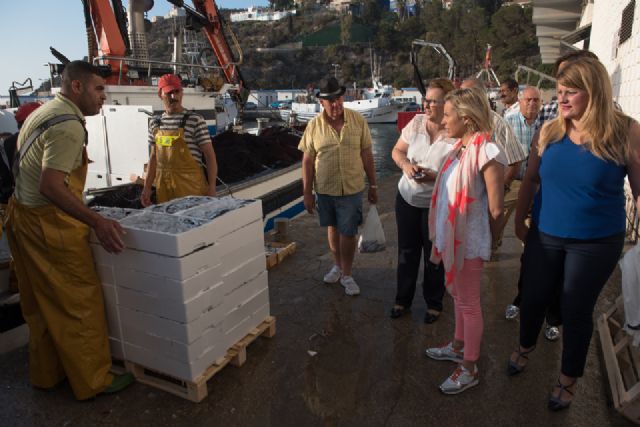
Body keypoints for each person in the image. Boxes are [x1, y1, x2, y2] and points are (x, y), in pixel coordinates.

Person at [509, 57, 640, 410]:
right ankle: (524, 346)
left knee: (575, 308)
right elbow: (531, 179)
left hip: (596, 243)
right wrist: (519, 218)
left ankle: (567, 380)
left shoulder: (626, 131)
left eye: (571, 92)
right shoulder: (549, 131)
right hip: (545, 234)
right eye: (560, 92)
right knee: (533, 298)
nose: (562, 99)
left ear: (594, 91)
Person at [4, 61, 134, 400]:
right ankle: (95, 380)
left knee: (41, 303)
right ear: (76, 87)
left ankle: (50, 374)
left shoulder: (44, 111)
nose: (104, 97)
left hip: (22, 217)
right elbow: (51, 186)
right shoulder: (69, 127)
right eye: (99, 89)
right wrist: (97, 222)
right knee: (79, 300)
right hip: (49, 223)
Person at [424, 88, 506, 394]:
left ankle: (469, 367)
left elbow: (496, 210)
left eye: (447, 114)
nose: (442, 120)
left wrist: (491, 244)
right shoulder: (459, 148)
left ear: (467, 118)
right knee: (458, 296)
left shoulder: (487, 153)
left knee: (469, 303)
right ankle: (458, 345)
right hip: (453, 238)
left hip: (470, 242)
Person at [298, 76, 378, 296]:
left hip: (352, 187)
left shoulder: (357, 120)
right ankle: (337, 265)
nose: (335, 104)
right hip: (325, 189)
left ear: (343, 97)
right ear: (321, 102)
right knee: (332, 227)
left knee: (349, 232)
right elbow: (307, 160)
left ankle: (347, 274)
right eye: (330, 100)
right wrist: (307, 193)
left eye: (338, 98)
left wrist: (373, 185)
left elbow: (367, 154)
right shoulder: (314, 126)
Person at [389, 78, 454, 322]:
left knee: (433, 255)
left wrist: (434, 177)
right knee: (406, 252)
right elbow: (397, 151)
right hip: (406, 198)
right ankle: (402, 299)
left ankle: (434, 302)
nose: (426, 105)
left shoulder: (455, 132)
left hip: (435, 204)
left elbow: (459, 172)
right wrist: (406, 165)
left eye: (432, 101)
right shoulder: (416, 123)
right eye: (425, 99)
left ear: (447, 103)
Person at [460, 78, 526, 255]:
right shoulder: (457, 121)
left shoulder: (497, 123)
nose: (461, 97)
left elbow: (516, 158)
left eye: (466, 93)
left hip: (490, 192)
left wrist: (502, 186)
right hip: (466, 194)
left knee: (490, 232)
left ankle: (491, 248)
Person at [141, 74, 218, 206]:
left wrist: (212, 187)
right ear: (160, 94)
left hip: (192, 189)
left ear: (182, 93)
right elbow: (154, 157)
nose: (174, 97)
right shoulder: (154, 123)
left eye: (177, 92)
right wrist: (146, 188)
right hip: (164, 189)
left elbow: (209, 155)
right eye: (169, 92)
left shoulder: (195, 120)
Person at [0, 102, 41, 293]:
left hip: (14, 205)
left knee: (19, 253)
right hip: (22, 206)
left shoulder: (10, 142)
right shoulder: (26, 143)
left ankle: (19, 290)